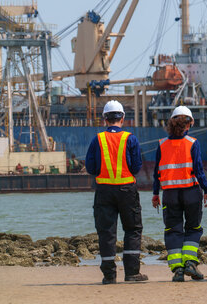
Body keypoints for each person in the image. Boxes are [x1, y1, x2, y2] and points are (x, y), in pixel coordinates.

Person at [85, 100, 147, 284]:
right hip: (127, 189)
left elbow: (90, 167)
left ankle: (109, 275)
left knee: (106, 232)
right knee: (133, 230)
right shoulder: (130, 139)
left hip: (104, 190)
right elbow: (136, 167)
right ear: (123, 118)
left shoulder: (98, 139)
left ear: (105, 118)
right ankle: (132, 273)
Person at [152, 106, 207, 282]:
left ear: (170, 123)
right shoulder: (193, 143)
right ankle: (190, 264)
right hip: (192, 192)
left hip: (169, 194)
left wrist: (156, 194)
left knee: (173, 231)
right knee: (193, 228)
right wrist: (206, 190)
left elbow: (156, 173)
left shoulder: (161, 144)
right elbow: (199, 170)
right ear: (190, 123)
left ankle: (178, 269)